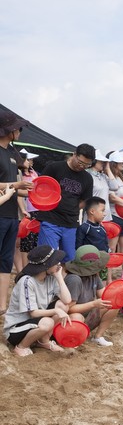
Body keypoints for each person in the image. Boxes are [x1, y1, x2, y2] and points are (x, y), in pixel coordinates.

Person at [3, 246, 71, 356]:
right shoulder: (27, 281)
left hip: (36, 322)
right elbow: (33, 313)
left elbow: (67, 300)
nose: (59, 265)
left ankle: (43, 341)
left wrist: (59, 277)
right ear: (46, 265)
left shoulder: (50, 278)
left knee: (63, 306)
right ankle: (21, 347)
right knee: (48, 322)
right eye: (55, 262)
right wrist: (56, 311)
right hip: (16, 329)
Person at [35, 144, 95, 264]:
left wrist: (72, 209)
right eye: (80, 162)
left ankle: (62, 277)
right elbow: (40, 187)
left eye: (86, 165)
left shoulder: (87, 178)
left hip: (70, 222)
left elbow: (84, 200)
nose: (82, 166)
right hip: (50, 219)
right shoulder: (54, 168)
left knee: (69, 260)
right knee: (48, 257)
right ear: (74, 154)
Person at [0, 112, 35, 314]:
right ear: (8, 130)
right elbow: (8, 185)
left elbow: (14, 189)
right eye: (17, 128)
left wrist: (32, 191)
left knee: (6, 261)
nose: (20, 132)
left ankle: (2, 305)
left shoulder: (12, 153)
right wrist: (16, 184)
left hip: (12, 215)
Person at [64, 245, 116, 346]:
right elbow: (69, 309)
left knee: (112, 304)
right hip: (74, 318)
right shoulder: (74, 279)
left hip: (88, 315)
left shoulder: (93, 275)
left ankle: (98, 337)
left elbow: (104, 294)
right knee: (77, 317)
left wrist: (118, 293)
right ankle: (73, 340)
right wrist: (93, 304)